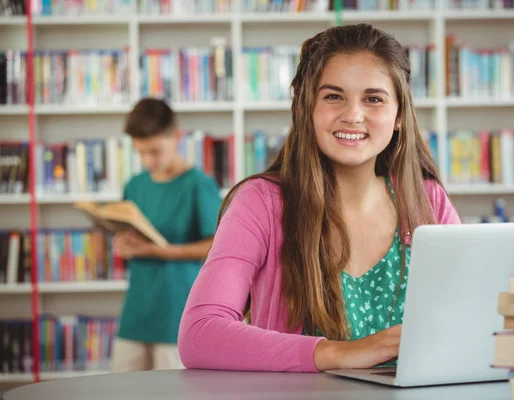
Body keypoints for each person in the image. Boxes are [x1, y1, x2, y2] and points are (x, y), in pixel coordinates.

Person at [178, 23, 461, 373]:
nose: (353, 115)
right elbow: (199, 335)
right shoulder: (261, 203)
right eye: (333, 96)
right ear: (306, 107)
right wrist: (341, 353)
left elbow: (469, 322)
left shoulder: (427, 201)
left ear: (399, 114)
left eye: (373, 99)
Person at [110, 98, 222, 372]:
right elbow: (131, 236)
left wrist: (158, 251)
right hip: (137, 308)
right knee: (121, 390)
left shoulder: (199, 185)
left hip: (178, 310)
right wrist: (124, 244)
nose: (147, 161)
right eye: (140, 152)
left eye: (154, 151)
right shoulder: (135, 185)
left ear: (175, 137)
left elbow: (215, 248)